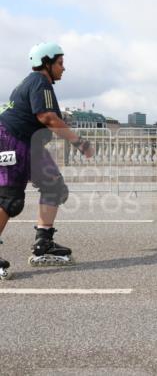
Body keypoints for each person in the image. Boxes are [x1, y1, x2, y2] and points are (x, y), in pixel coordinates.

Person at [0, 42, 94, 280]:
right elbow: (48, 117)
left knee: (54, 187)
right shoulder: (39, 82)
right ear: (46, 63)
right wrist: (79, 143)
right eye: (60, 63)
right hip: (13, 139)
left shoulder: (34, 83)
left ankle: (44, 243)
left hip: (30, 142)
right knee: (10, 199)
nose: (64, 68)